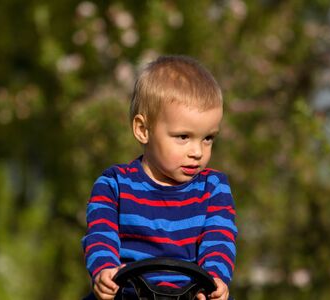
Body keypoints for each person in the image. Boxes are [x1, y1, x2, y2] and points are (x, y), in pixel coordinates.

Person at [82, 55, 237, 300]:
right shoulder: (115, 185)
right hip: (127, 295)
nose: (197, 152)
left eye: (207, 138)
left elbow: (219, 239)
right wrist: (104, 271)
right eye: (183, 137)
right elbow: (101, 233)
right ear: (143, 130)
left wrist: (216, 279)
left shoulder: (213, 189)